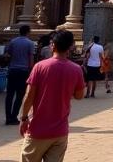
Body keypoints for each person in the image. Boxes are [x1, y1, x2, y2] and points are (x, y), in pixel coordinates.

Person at [18, 29, 85, 162]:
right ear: (71, 46)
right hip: (60, 131)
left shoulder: (40, 67)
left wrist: (24, 118)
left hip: (38, 130)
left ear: (52, 45)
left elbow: (29, 96)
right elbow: (79, 95)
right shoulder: (76, 69)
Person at [6, 24, 36, 125]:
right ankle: (14, 116)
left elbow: (8, 54)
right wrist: (31, 71)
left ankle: (8, 117)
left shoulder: (13, 41)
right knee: (20, 95)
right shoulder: (30, 43)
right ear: (28, 32)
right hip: (23, 71)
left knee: (9, 94)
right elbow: (31, 59)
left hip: (12, 70)